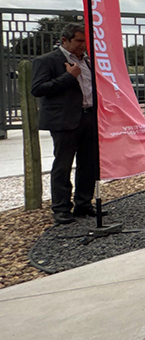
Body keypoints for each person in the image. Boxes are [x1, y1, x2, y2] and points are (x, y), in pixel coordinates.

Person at [30, 24, 98, 225]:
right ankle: (61, 208)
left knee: (89, 164)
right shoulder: (47, 61)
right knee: (63, 165)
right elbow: (38, 89)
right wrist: (69, 77)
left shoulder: (88, 61)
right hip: (64, 121)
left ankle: (83, 204)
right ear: (65, 40)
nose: (83, 45)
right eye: (79, 41)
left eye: (86, 41)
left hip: (89, 117)